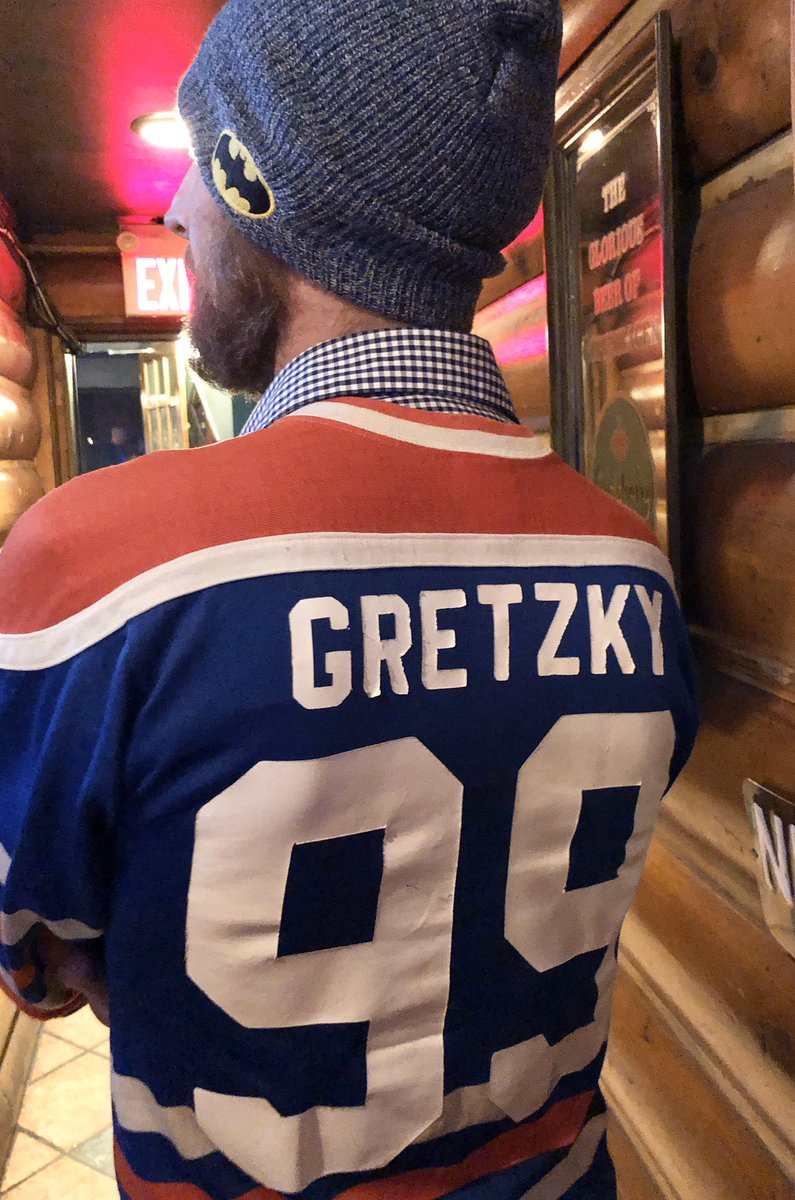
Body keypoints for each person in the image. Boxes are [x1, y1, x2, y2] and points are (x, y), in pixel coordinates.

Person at [0, 2, 698, 1198]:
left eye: (201, 164)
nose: (178, 211)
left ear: (256, 188)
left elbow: (36, 954)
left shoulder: (94, 564)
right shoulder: (636, 569)